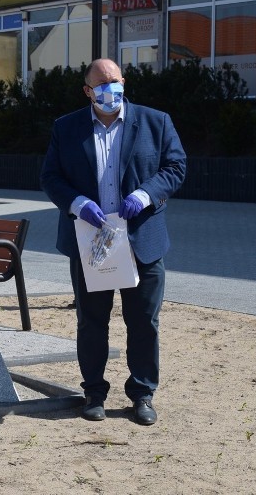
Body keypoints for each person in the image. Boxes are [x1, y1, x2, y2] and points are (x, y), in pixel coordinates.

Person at [40, 58, 186, 426]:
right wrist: (77, 203)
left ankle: (142, 394)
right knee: (92, 322)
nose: (110, 91)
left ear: (124, 82)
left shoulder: (157, 121)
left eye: (116, 82)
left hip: (142, 240)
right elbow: (51, 177)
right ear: (88, 91)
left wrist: (146, 194)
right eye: (102, 85)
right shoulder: (66, 127)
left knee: (144, 323)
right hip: (91, 241)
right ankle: (93, 392)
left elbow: (175, 167)